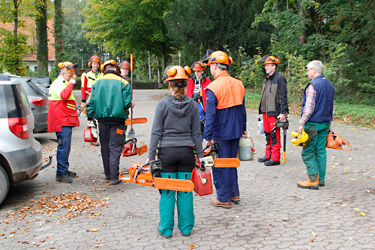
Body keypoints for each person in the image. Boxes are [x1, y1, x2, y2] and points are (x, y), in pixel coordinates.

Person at [147, 65, 203, 238]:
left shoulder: (162, 105)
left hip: (167, 154)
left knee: (168, 192)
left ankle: (166, 228)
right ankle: (186, 228)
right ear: (186, 84)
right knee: (185, 191)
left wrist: (150, 156)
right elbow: (196, 133)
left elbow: (156, 131)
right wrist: (200, 155)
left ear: (170, 84)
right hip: (186, 153)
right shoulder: (193, 105)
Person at [204, 51, 247, 209]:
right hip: (235, 130)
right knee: (232, 162)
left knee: (220, 164)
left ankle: (223, 198)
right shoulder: (238, 83)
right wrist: (243, 129)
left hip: (220, 131)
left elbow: (210, 115)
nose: (210, 69)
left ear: (215, 66)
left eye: (210, 66)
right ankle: (234, 193)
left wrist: (208, 136)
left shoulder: (213, 87)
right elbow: (242, 110)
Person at [86, 59, 133, 185]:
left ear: (103, 69)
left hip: (102, 120)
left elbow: (90, 102)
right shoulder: (124, 83)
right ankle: (114, 176)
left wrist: (90, 118)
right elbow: (127, 103)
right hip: (117, 121)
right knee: (115, 147)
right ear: (116, 69)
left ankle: (107, 174)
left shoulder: (96, 82)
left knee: (105, 147)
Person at [297, 60, 335, 189]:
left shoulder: (313, 85)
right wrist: (330, 123)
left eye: (308, 70)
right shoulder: (330, 85)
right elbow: (332, 107)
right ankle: (321, 179)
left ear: (314, 70)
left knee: (307, 152)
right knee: (321, 151)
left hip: (313, 124)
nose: (307, 73)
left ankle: (313, 179)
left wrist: (301, 123)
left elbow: (309, 108)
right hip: (325, 123)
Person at [48, 62, 80, 183]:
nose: (71, 78)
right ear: (64, 73)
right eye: (70, 75)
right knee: (63, 147)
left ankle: (64, 170)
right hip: (61, 121)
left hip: (64, 120)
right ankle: (61, 173)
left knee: (65, 147)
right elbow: (64, 95)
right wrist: (71, 83)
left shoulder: (62, 83)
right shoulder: (58, 84)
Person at [257, 55, 288, 166]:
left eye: (268, 66)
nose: (266, 68)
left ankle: (275, 158)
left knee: (274, 134)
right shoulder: (267, 79)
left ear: (274, 66)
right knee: (267, 134)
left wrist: (283, 112)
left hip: (275, 111)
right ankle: (268, 154)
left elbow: (284, 96)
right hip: (266, 111)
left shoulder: (280, 79)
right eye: (265, 66)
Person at [81, 55, 103, 146]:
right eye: (94, 63)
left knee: (100, 118)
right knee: (90, 119)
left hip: (100, 98)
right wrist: (83, 101)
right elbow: (83, 88)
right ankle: (91, 138)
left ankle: (99, 137)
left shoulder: (102, 74)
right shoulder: (86, 74)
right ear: (90, 64)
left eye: (97, 64)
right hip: (89, 98)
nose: (95, 65)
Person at [187, 61, 211, 139]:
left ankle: (206, 141)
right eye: (195, 72)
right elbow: (188, 94)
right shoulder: (191, 81)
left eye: (198, 71)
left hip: (203, 105)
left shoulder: (207, 81)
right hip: (193, 104)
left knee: (205, 125)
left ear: (202, 71)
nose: (196, 74)